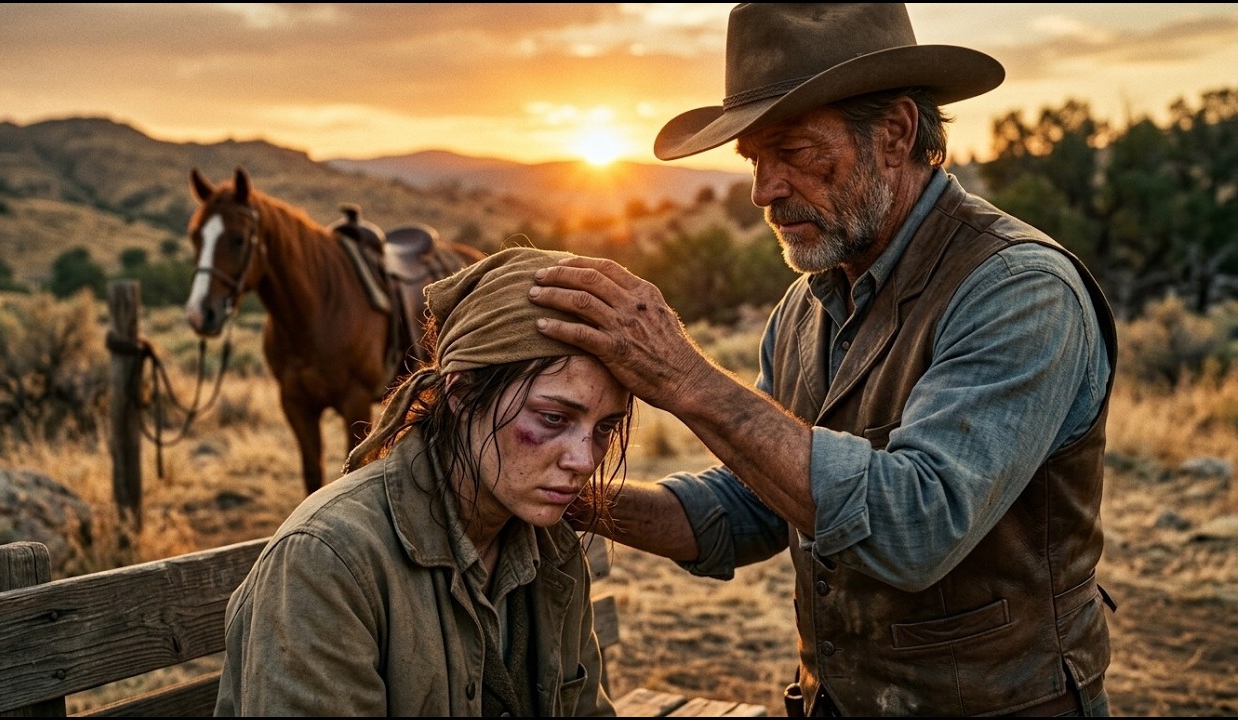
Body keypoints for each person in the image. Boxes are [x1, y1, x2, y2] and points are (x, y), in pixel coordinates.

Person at [529, 3, 1118, 717]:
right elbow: (753, 507)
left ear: (896, 133)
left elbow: (916, 527)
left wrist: (685, 378)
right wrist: (568, 497)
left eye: (796, 151)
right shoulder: (808, 308)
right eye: (754, 159)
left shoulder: (1018, 290)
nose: (764, 190)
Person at [214, 246, 632, 716]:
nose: (584, 459)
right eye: (554, 417)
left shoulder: (552, 548)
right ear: (461, 391)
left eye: (604, 428)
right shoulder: (327, 563)